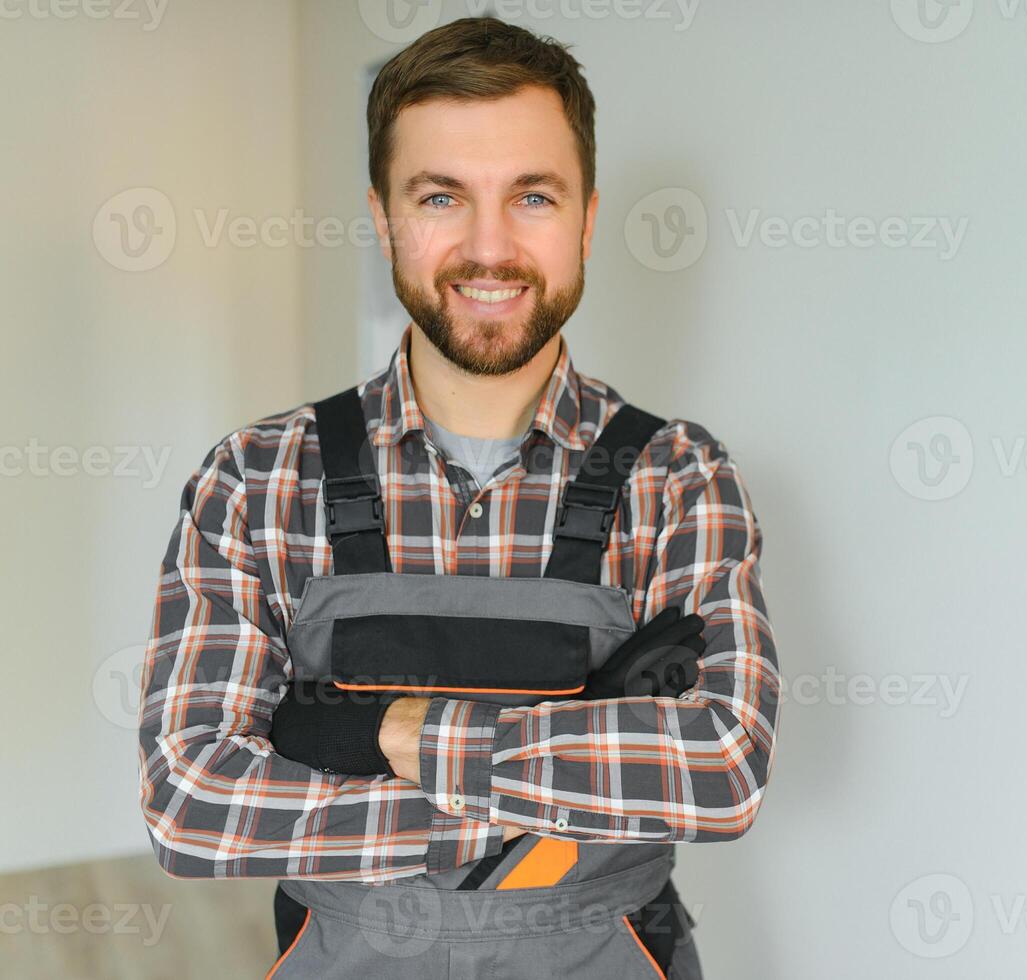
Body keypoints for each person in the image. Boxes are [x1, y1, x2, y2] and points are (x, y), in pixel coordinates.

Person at [135, 16, 780, 978]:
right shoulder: (257, 476)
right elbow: (191, 801)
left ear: (587, 218)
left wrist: (381, 733)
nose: (489, 247)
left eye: (532, 195)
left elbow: (721, 770)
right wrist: (555, 773)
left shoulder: (678, 478)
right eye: (441, 195)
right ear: (384, 215)